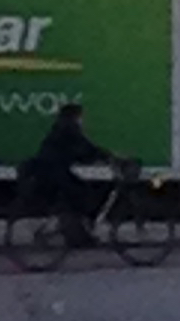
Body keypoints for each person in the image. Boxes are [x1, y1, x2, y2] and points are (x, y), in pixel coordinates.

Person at [21, 101, 114, 243]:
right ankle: (77, 233)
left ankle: (77, 231)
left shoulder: (60, 129)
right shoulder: (70, 130)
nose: (82, 120)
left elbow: (81, 152)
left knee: (81, 192)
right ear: (74, 117)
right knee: (84, 195)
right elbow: (86, 149)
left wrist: (98, 157)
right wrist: (110, 157)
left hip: (48, 173)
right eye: (80, 117)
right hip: (53, 176)